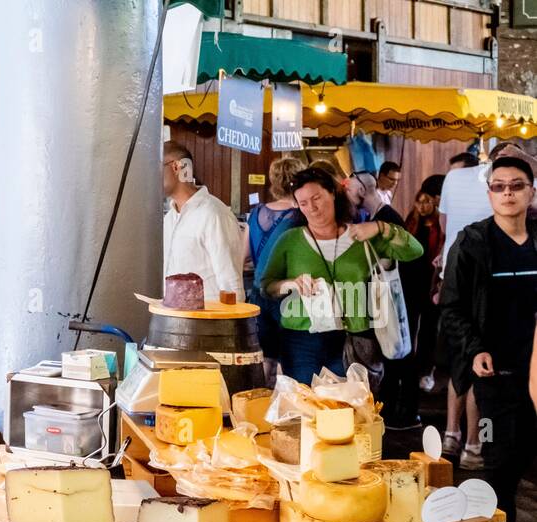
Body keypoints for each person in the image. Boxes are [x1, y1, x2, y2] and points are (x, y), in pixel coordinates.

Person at [440, 155, 537, 522]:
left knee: (526, 458)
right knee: (498, 464)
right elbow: (452, 307)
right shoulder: (472, 242)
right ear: (490, 193)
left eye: (516, 185)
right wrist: (474, 349)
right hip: (496, 378)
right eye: (499, 186)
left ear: (531, 191)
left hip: (536, 373)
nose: (508, 193)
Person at [261, 166, 423, 383]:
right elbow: (267, 286)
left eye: (316, 198)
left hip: (352, 339)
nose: (312, 208)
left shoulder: (361, 236)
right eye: (303, 203)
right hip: (301, 341)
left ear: (333, 193)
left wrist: (381, 227)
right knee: (304, 408)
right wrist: (291, 284)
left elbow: (414, 251)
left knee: (346, 409)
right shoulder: (290, 240)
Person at [385, 186, 446, 429]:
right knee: (405, 333)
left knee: (424, 332)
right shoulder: (410, 223)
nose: (422, 206)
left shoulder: (438, 228)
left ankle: (422, 371)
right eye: (418, 201)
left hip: (426, 285)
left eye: (426, 202)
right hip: (406, 285)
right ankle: (402, 385)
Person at [162, 142, 245, 301]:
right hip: (174, 319)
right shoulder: (169, 219)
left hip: (207, 323)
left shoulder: (214, 214)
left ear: (176, 167)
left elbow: (231, 286)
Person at [247, 156, 307, 377]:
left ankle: (258, 406)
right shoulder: (299, 216)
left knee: (265, 358)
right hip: (287, 293)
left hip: (258, 292)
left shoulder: (256, 213)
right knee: (286, 360)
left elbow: (243, 255)